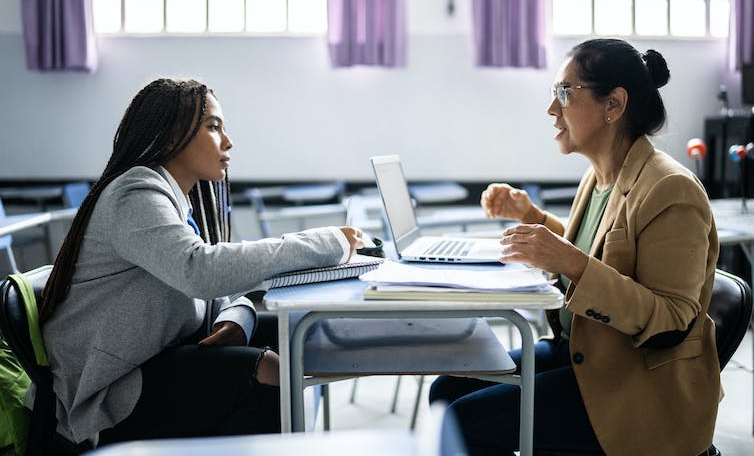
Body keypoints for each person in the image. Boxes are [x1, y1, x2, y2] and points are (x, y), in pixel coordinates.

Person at [429, 39, 720, 456]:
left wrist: (569, 260)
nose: (552, 109)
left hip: (634, 385)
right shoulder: (600, 175)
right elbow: (606, 254)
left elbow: (671, 320)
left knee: (463, 420)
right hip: (582, 354)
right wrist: (531, 217)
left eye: (565, 93)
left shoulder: (671, 189)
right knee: (446, 390)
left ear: (614, 105)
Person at [39, 78, 365, 446]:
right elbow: (201, 271)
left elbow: (221, 291)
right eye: (213, 127)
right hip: (111, 393)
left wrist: (236, 320)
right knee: (270, 375)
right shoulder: (135, 194)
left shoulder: (178, 203)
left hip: (158, 356)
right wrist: (328, 242)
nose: (228, 142)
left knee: (293, 332)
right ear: (172, 135)